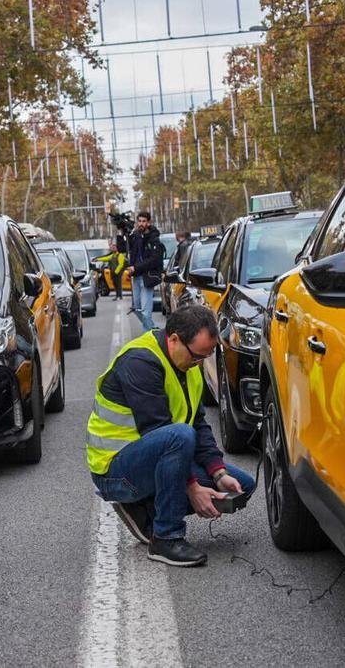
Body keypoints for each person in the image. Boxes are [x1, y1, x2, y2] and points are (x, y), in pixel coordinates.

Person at [86, 305, 255, 567]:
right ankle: (165, 537)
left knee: (242, 485)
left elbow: (198, 424)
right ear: (174, 339)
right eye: (197, 356)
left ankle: (148, 508)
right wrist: (192, 486)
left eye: (205, 357)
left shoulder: (189, 363)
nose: (199, 363)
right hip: (116, 471)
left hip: (156, 459)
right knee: (179, 435)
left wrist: (219, 472)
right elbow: (160, 431)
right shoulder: (140, 362)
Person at [125, 211, 165, 333]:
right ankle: (153, 329)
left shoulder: (154, 238)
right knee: (137, 308)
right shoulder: (136, 235)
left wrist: (136, 267)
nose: (141, 224)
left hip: (148, 278)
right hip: (136, 277)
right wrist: (122, 232)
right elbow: (123, 248)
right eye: (139, 221)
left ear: (148, 222)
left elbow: (153, 260)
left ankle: (147, 338)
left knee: (146, 311)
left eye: (144, 221)